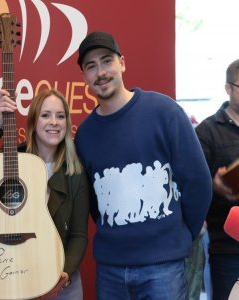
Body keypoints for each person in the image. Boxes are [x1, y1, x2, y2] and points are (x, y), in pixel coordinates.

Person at [74, 31, 213, 299]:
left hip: (164, 268)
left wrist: (182, 235)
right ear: (84, 77)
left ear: (122, 63)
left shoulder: (164, 112)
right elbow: (94, 200)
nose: (101, 72)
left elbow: (198, 182)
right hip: (110, 270)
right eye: (91, 66)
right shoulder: (86, 134)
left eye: (107, 61)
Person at [0, 89, 90, 300]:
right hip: (10, 275)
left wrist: (63, 275)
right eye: (46, 115)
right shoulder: (11, 158)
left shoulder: (74, 172)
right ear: (33, 121)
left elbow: (78, 235)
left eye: (60, 116)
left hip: (60, 279)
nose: (54, 122)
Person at [195, 58, 239, 300]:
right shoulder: (206, 132)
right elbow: (194, 187)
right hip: (227, 247)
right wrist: (215, 185)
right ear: (228, 88)